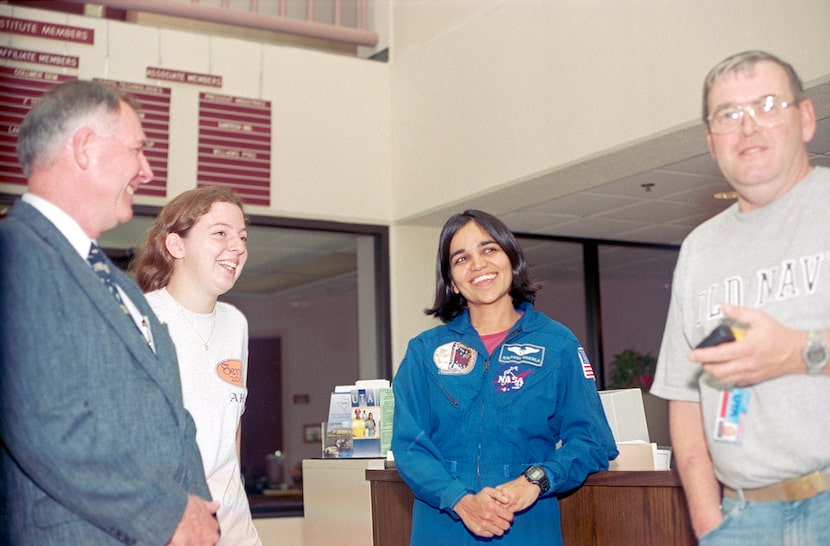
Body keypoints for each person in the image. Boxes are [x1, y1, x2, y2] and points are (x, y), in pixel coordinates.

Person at [0, 80, 219, 545]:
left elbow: (172, 418)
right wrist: (171, 516)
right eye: (138, 150)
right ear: (84, 148)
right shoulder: (15, 251)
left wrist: (199, 513)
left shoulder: (119, 283)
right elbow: (47, 426)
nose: (147, 171)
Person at [651, 50, 830, 545]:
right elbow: (686, 401)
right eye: (728, 115)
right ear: (711, 142)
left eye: (768, 105)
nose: (748, 127)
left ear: (806, 118)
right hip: (743, 519)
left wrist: (798, 351)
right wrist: (710, 524)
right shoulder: (698, 251)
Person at [391, 209, 618, 545]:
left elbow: (592, 442)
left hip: (525, 525)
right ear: (452, 281)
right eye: (461, 258)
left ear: (512, 260)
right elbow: (410, 445)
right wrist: (460, 500)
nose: (478, 265)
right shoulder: (425, 351)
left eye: (489, 250)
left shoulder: (557, 344)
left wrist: (535, 480)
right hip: (443, 527)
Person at [132, 186, 261, 546]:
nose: (237, 246)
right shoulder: (140, 319)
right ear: (176, 246)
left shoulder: (236, 323)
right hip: (167, 525)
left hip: (234, 526)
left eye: (242, 237)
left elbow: (230, 429)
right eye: (220, 233)